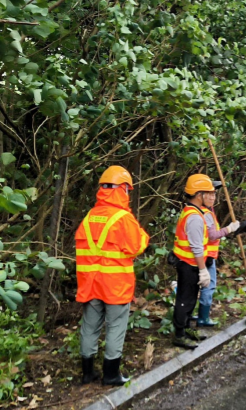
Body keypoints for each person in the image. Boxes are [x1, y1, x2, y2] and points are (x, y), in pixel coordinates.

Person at [75, 165, 149, 385]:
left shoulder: (89, 217)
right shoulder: (122, 218)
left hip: (90, 284)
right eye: (127, 189)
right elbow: (138, 246)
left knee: (89, 326)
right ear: (122, 189)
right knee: (115, 326)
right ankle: (110, 375)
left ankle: (87, 372)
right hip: (115, 285)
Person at [170, 174, 239, 349]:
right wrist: (203, 270)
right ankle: (179, 334)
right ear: (198, 194)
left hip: (190, 264)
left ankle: (185, 329)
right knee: (184, 301)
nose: (211, 196)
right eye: (207, 192)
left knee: (190, 299)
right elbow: (196, 247)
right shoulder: (194, 217)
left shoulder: (198, 213)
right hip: (188, 265)